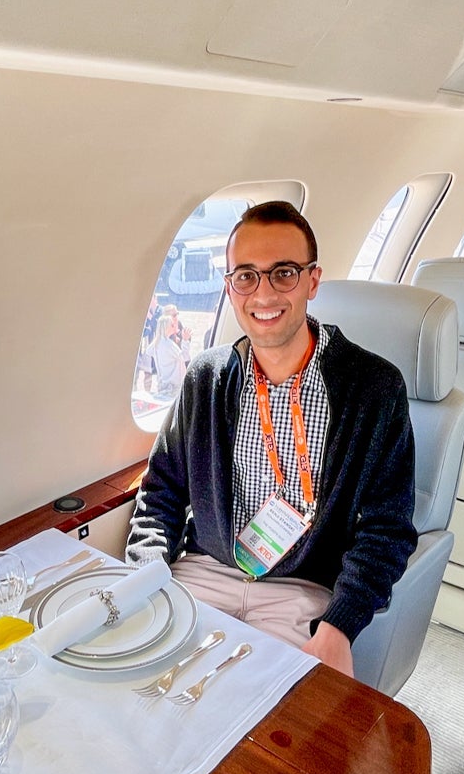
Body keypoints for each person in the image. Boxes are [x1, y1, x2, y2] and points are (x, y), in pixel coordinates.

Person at [126, 201, 417, 677]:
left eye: (283, 273)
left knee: (272, 715)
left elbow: (388, 528)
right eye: (246, 276)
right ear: (230, 288)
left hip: (302, 591)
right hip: (205, 571)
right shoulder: (205, 378)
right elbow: (161, 491)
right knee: (138, 681)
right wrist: (144, 575)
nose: (263, 293)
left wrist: (339, 625)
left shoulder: (374, 388)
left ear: (312, 281)